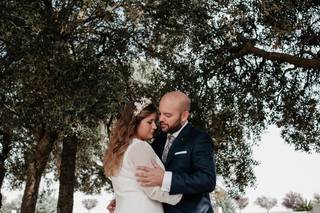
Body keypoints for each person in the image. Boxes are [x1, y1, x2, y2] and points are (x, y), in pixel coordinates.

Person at [108, 91, 217, 213]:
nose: (161, 119)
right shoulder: (157, 140)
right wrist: (123, 198)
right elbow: (142, 176)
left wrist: (165, 179)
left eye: (168, 115)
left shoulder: (199, 139)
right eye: (160, 114)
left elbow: (208, 180)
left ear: (184, 116)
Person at [103, 98, 182, 213]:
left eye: (154, 122)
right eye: (149, 122)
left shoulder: (119, 150)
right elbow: (153, 189)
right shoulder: (139, 147)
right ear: (134, 123)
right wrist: (180, 192)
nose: (155, 127)